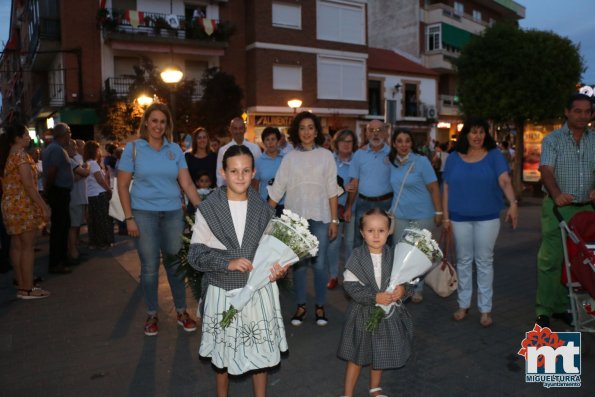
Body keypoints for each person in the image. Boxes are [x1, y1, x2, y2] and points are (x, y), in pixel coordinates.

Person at [188, 145, 288, 397]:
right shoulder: (208, 209)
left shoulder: (264, 210)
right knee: (223, 354)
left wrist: (279, 270)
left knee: (260, 354)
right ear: (223, 172)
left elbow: (273, 254)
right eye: (234, 171)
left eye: (245, 170)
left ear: (254, 172)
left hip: (258, 291)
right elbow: (195, 254)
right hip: (223, 290)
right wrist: (227, 262)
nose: (240, 176)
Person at [117, 102, 202, 336]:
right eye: (154, 120)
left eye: (162, 122)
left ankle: (182, 312)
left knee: (175, 264)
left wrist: (204, 210)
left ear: (167, 125)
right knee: (150, 267)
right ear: (146, 122)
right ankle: (152, 313)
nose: (158, 125)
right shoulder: (133, 148)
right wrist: (129, 218)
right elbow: (122, 185)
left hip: (173, 213)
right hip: (143, 214)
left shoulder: (174, 149)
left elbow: (186, 184)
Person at [442, 117, 518, 327]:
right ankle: (463, 304)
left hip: (488, 217)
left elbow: (504, 180)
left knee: (484, 261)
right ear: (466, 134)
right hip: (459, 218)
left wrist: (513, 202)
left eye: (481, 132)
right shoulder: (453, 158)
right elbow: (446, 188)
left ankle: (485, 309)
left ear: (487, 134)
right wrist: (446, 217)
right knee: (464, 262)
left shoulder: (494, 155)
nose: (478, 136)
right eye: (473, 132)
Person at [268, 111, 339, 326]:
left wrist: (334, 220)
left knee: (319, 265)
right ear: (296, 132)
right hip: (295, 221)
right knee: (297, 265)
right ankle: (300, 306)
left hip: (321, 217)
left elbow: (332, 190)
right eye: (302, 128)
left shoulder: (326, 156)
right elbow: (278, 187)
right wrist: (263, 215)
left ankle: (319, 305)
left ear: (316, 131)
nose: (306, 132)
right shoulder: (289, 158)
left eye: (310, 127)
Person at [337, 208, 413, 397]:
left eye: (381, 230)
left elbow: (407, 281)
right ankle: (347, 393)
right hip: (362, 315)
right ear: (362, 233)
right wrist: (374, 297)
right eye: (371, 231)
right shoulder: (357, 257)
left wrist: (402, 290)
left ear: (389, 232)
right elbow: (350, 285)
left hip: (387, 316)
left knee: (380, 351)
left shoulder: (395, 256)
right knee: (356, 356)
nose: (376, 235)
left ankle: (375, 388)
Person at [535, 93, 595, 328]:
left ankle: (562, 306)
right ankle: (543, 311)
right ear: (567, 112)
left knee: (577, 261)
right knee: (550, 260)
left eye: (587, 112)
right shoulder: (553, 140)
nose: (582, 116)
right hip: (558, 209)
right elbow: (546, 170)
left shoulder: (594, 139)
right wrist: (556, 193)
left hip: (587, 210)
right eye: (577, 111)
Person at [388, 128, 442, 303]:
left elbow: (434, 188)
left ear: (412, 144)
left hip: (422, 215)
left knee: (418, 255)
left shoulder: (421, 161)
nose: (404, 145)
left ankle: (417, 288)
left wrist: (439, 212)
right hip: (400, 216)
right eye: (400, 141)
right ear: (394, 144)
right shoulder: (391, 163)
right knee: (401, 256)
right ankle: (402, 288)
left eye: (407, 141)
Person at [0, 123, 51, 299]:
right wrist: (43, 205)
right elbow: (29, 186)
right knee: (27, 247)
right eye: (25, 135)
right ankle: (28, 288)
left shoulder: (9, 156)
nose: (28, 137)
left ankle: (22, 284)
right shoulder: (21, 157)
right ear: (17, 138)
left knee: (16, 245)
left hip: (10, 205)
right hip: (23, 205)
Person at [344, 120, 392, 248]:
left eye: (379, 130)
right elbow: (354, 182)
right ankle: (361, 268)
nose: (375, 134)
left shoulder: (393, 154)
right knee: (360, 243)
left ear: (386, 133)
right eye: (371, 130)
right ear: (366, 133)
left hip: (386, 205)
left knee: (385, 243)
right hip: (363, 204)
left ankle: (383, 268)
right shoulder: (359, 154)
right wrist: (348, 207)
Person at [326, 129, 358, 290]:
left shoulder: (357, 160)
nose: (346, 144)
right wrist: (343, 189)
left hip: (351, 206)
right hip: (333, 207)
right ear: (336, 143)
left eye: (349, 141)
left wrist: (350, 206)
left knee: (350, 242)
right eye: (343, 141)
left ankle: (349, 276)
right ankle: (333, 275)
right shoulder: (329, 160)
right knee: (333, 243)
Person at [42, 122, 74, 274]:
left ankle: (62, 259)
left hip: (60, 192)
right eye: (69, 133)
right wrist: (48, 191)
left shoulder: (57, 148)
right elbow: (52, 172)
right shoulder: (56, 149)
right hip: (59, 192)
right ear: (64, 134)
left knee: (62, 226)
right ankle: (56, 263)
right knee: (59, 228)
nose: (70, 136)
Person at [84, 141, 114, 250]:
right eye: (98, 149)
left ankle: (95, 242)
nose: (99, 151)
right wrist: (108, 189)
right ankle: (103, 242)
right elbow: (100, 180)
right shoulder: (93, 163)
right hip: (99, 194)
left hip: (91, 195)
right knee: (102, 219)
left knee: (94, 220)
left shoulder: (87, 163)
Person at [216, 117, 262, 186]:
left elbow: (259, 172)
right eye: (235, 128)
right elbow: (220, 176)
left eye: (240, 128)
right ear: (230, 130)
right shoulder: (223, 150)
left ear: (245, 129)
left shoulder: (255, 148)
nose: (238, 131)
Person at [253, 127, 284, 215]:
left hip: (284, 205)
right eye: (267, 139)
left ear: (278, 141)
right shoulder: (258, 161)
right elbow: (255, 186)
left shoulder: (286, 158)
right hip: (265, 204)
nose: (270, 143)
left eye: (273, 139)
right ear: (263, 142)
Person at [67, 139, 89, 261]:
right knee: (73, 226)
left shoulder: (75, 159)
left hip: (79, 197)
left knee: (76, 225)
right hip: (74, 197)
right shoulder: (69, 160)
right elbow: (75, 177)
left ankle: (75, 249)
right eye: (73, 147)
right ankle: (73, 252)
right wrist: (86, 169)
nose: (75, 149)